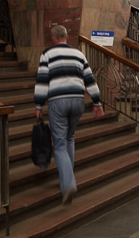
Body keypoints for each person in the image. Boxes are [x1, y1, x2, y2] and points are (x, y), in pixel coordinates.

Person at [34, 25, 104, 204]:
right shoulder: (79, 54)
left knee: (58, 144)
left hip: (58, 101)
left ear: (53, 38)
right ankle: (67, 178)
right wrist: (97, 102)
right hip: (78, 100)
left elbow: (42, 81)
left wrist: (38, 104)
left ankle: (68, 184)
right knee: (70, 138)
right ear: (66, 37)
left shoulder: (47, 54)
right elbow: (90, 79)